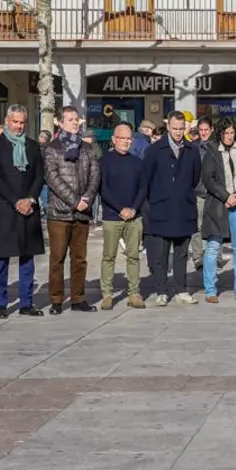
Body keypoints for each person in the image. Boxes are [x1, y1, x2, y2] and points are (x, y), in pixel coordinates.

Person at [0, 104, 46, 319]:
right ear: (7, 121)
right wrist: (15, 201)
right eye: (15, 122)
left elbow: (39, 175)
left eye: (22, 122)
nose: (19, 126)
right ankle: (1, 304)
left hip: (28, 208)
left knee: (27, 258)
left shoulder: (32, 146)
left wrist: (29, 199)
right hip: (5, 208)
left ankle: (26, 302)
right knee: (1, 259)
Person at [42, 106, 101, 314]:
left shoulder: (87, 149)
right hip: (59, 213)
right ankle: (56, 300)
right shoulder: (52, 148)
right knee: (57, 258)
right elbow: (53, 179)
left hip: (81, 213)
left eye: (76, 119)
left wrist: (87, 198)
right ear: (60, 122)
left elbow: (95, 176)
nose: (74, 123)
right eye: (70, 119)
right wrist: (75, 201)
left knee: (79, 259)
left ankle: (78, 298)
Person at [142, 111, 203, 306]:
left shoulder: (192, 150)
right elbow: (147, 178)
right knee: (160, 254)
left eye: (181, 128)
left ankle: (181, 289)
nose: (178, 132)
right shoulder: (155, 149)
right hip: (161, 207)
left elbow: (195, 177)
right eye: (174, 128)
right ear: (168, 127)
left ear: (185, 127)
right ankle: (161, 290)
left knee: (181, 253)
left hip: (184, 207)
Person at [200, 118, 236, 303]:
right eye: (225, 133)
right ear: (220, 133)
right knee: (213, 247)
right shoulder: (212, 152)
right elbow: (209, 179)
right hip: (218, 206)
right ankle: (210, 289)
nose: (229, 136)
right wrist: (226, 196)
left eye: (231, 133)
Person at [98, 123, 148, 310]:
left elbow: (143, 188)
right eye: (122, 138)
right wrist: (120, 209)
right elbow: (102, 188)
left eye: (129, 139)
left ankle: (134, 292)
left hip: (134, 217)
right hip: (112, 216)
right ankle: (107, 294)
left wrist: (133, 209)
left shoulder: (137, 162)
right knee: (108, 256)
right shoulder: (104, 161)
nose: (126, 142)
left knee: (133, 256)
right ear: (114, 139)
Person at [189, 116, 215, 277]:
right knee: (196, 227)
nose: (204, 133)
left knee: (215, 226)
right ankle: (198, 257)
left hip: (214, 193)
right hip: (198, 191)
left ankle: (216, 256)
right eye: (201, 130)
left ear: (211, 130)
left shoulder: (217, 146)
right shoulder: (193, 147)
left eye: (206, 130)